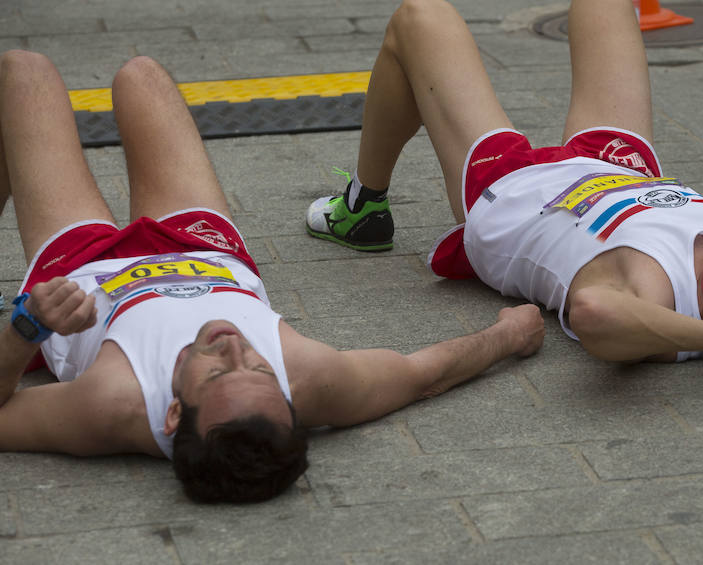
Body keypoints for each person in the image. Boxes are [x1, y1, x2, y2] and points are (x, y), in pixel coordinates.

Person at [0, 50, 545, 504]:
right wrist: (512, 335)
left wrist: (25, 329)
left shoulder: (112, 408)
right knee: (141, 76)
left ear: (171, 414)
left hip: (82, 273)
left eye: (215, 374)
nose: (234, 346)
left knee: (23, 74)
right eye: (260, 371)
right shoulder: (311, 381)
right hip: (203, 256)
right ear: (287, 401)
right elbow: (426, 373)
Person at [306, 0, 703, 387]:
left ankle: (363, 206)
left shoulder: (658, 305)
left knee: (420, 17)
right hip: (623, 171)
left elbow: (593, 315)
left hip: (512, 191)